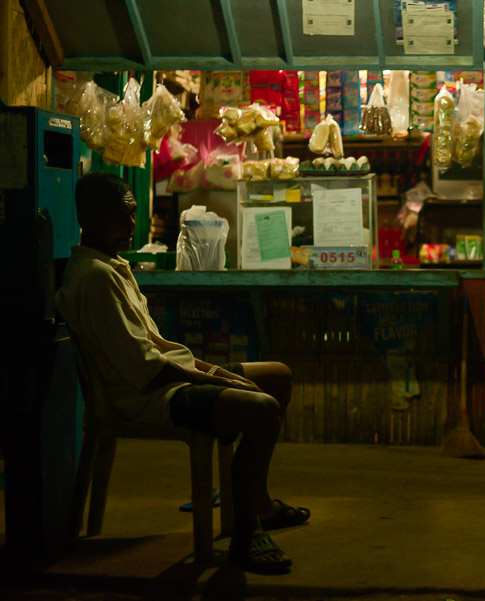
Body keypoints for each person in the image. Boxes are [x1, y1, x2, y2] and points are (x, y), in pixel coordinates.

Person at [56, 172, 306, 574]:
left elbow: (159, 346)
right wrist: (215, 379)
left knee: (277, 375)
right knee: (261, 409)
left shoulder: (112, 265)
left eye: (131, 216)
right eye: (116, 219)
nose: (128, 227)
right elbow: (144, 365)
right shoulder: (95, 278)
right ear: (87, 217)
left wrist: (213, 372)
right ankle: (246, 530)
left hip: (165, 377)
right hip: (146, 396)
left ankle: (257, 499)